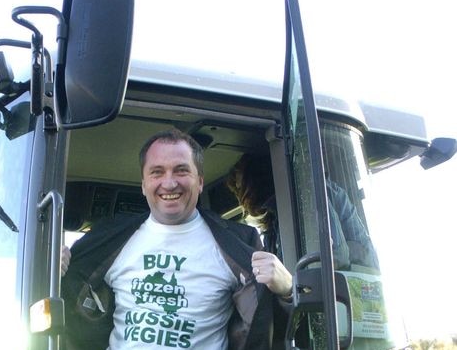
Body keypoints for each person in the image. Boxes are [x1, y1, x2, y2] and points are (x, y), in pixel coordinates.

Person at [61, 129, 292, 350]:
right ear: (143, 184)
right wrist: (52, 271)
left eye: (181, 170)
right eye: (157, 172)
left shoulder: (239, 244)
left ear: (200, 182)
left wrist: (288, 292)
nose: (169, 183)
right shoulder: (107, 239)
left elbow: (271, 328)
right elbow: (61, 309)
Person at [226, 153, 379, 270]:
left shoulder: (307, 192)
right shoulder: (277, 220)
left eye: (240, 188)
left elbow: (334, 257)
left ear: (254, 180)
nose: (241, 200)